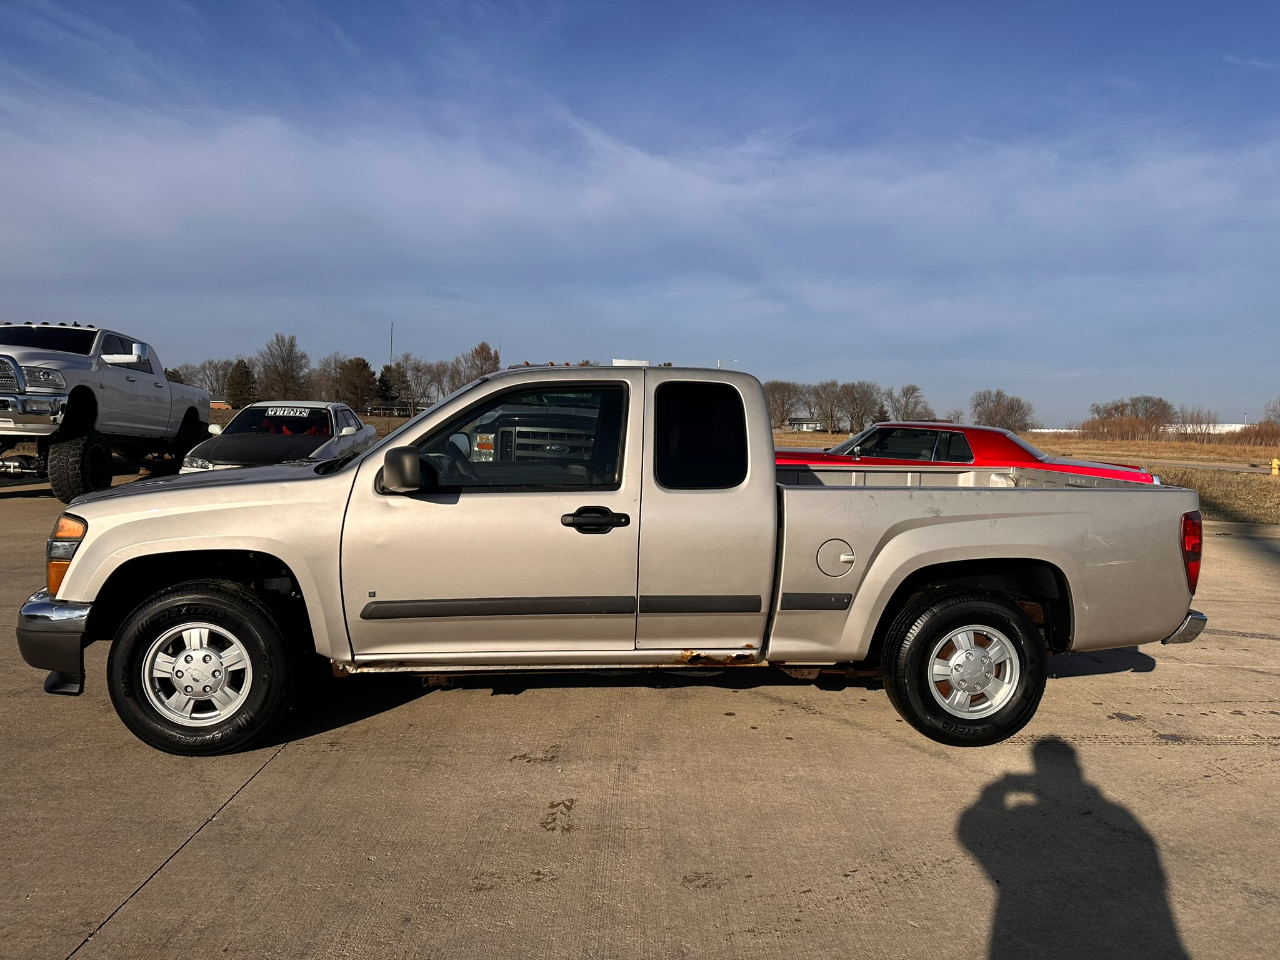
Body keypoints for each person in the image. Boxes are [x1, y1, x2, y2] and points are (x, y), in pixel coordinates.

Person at [958, 737, 1190, 960]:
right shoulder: (1116, 812)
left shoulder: (1112, 812)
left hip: (1031, 926)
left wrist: (993, 793)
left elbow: (969, 830)